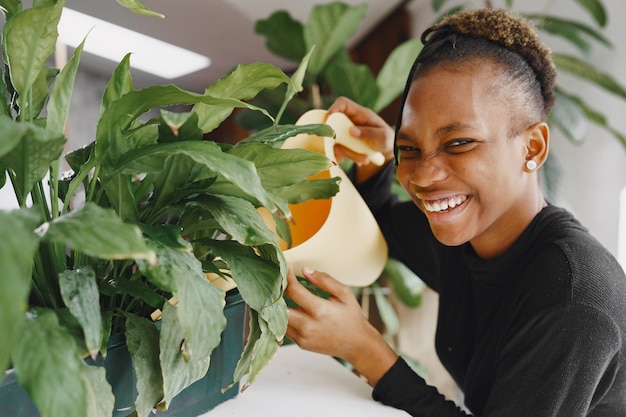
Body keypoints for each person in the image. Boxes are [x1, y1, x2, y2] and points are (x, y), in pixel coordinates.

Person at [284, 8, 626, 416]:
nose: (423, 176)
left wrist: (366, 351)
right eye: (409, 149)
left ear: (532, 148)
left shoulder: (571, 300)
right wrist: (375, 158)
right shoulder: (470, 235)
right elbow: (385, 227)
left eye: (459, 143)